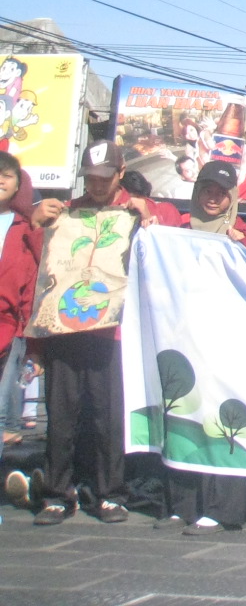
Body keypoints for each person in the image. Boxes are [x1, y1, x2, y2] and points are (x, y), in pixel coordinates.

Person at [22, 142, 149, 524]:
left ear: (120, 172)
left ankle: (110, 494)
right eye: (91, 178)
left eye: (104, 178)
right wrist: (32, 221)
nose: (97, 185)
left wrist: (150, 216)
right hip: (64, 332)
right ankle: (58, 494)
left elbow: (168, 245)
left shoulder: (137, 212)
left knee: (108, 419)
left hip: (111, 336)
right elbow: (38, 270)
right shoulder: (65, 213)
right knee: (60, 419)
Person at [160, 162, 246, 535]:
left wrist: (244, 250)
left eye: (221, 192)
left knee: (221, 422)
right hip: (183, 338)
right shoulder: (177, 233)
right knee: (182, 417)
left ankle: (223, 508)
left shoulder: (244, 235)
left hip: (225, 343)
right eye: (207, 189)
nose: (213, 198)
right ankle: (180, 504)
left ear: (233, 196)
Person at [0, 151, 41, 447]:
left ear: (17, 186)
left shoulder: (25, 228)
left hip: (8, 329)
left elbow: (31, 282)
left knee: (1, 410)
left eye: (7, 175)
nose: (0, 180)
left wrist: (27, 336)